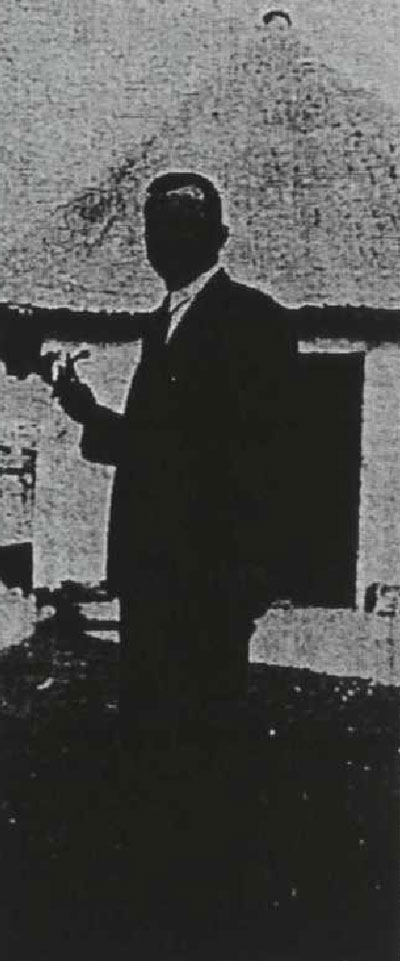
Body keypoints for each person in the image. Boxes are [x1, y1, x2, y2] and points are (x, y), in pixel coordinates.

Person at [53, 170, 298, 939]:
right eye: (156, 226)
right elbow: (160, 451)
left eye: (182, 224)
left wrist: (250, 577)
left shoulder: (253, 321)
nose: (164, 239)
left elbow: (262, 459)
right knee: (154, 737)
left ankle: (211, 910)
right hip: (154, 577)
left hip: (208, 583)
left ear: (217, 236)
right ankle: (162, 899)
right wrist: (87, 411)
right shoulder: (165, 321)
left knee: (206, 740)